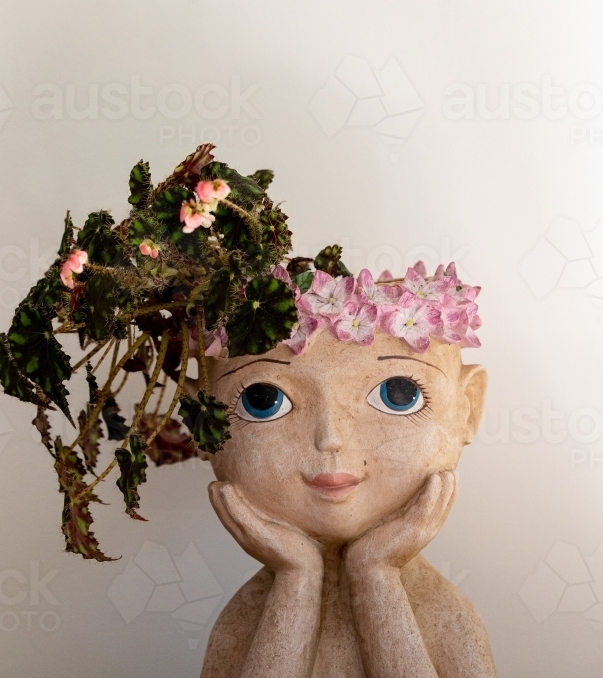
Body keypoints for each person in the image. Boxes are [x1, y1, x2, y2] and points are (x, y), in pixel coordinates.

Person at [197, 265, 497, 678]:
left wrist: (377, 574)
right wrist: (295, 577)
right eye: (264, 399)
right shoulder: (241, 621)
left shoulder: (445, 618)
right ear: (200, 421)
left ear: (468, 408)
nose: (330, 439)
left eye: (398, 394)